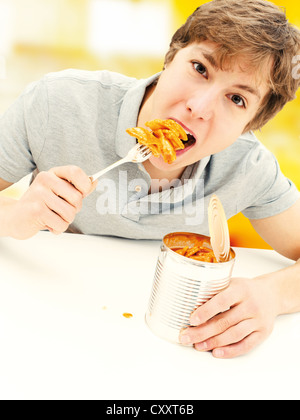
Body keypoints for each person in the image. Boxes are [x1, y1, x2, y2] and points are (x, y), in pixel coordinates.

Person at [0, 0, 300, 358]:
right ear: (171, 57)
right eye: (200, 68)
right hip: (37, 319)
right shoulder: (56, 102)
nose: (199, 108)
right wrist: (13, 215)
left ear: (249, 125)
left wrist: (274, 294)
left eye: (236, 98)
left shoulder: (247, 167)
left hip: (162, 345)